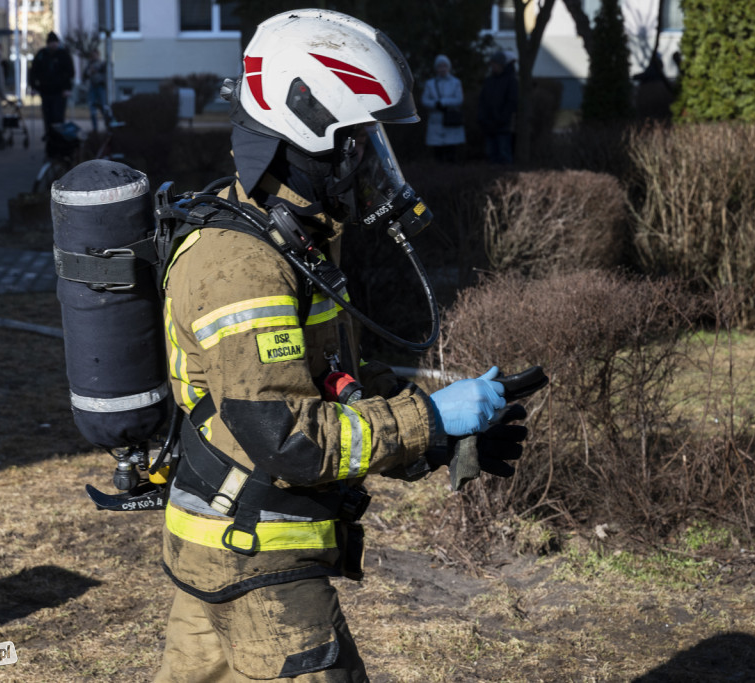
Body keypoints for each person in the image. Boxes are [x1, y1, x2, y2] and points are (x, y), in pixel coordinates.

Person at [153, 9, 526, 681]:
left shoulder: (287, 239)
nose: (370, 162)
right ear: (307, 134)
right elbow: (290, 438)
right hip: (257, 558)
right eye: (359, 141)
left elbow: (325, 379)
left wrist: (441, 438)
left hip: (233, 547)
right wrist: (430, 420)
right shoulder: (243, 267)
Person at [421, 54, 466, 162]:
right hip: (436, 120)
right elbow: (424, 100)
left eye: (444, 66)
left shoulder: (455, 82)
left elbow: (459, 99)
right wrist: (435, 104)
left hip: (450, 119)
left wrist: (444, 102)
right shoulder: (430, 84)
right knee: (438, 150)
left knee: (451, 149)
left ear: (448, 67)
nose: (442, 69)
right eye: (440, 66)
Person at [477, 50, 518, 165]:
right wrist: (483, 118)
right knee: (491, 154)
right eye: (492, 64)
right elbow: (482, 100)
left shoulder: (510, 81)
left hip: (503, 124)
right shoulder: (489, 81)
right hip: (489, 123)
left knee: (503, 153)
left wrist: (502, 118)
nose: (493, 67)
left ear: (502, 65)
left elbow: (511, 102)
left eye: (495, 64)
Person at [29, 31, 75, 134]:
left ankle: (58, 138)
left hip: (60, 91)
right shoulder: (42, 54)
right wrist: (34, 87)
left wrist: (67, 88)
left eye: (55, 42)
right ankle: (49, 136)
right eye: (52, 42)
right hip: (45, 90)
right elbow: (33, 71)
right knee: (48, 116)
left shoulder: (63, 54)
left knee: (58, 116)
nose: (54, 44)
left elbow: (70, 73)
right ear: (48, 43)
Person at [83, 49, 108, 133]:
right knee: (92, 109)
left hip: (100, 87)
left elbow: (106, 74)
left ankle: (108, 127)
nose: (93, 57)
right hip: (92, 88)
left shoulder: (102, 64)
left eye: (95, 55)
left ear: (98, 55)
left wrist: (97, 72)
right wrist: (89, 72)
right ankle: (95, 129)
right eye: (92, 55)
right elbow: (85, 75)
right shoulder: (89, 65)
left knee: (104, 108)